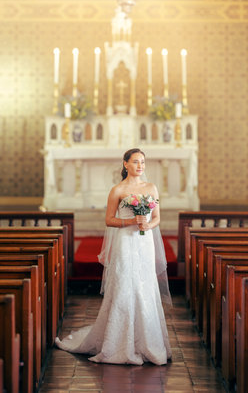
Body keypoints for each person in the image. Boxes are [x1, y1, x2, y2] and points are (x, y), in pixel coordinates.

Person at [55, 148, 172, 365]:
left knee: (144, 285)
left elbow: (156, 217)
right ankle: (118, 343)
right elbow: (109, 220)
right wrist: (131, 222)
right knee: (125, 284)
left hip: (144, 242)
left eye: (143, 162)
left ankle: (147, 341)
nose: (140, 166)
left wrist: (147, 223)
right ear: (125, 164)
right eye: (136, 162)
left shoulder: (151, 187)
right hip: (125, 242)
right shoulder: (117, 190)